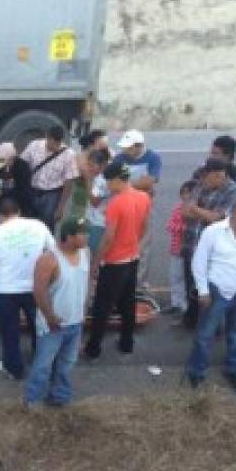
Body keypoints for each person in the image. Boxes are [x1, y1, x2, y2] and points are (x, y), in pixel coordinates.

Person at [185, 195, 236, 395]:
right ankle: (196, 371)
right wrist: (203, 291)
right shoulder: (213, 232)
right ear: (235, 213)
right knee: (206, 334)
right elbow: (199, 262)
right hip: (217, 291)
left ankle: (234, 369)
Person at [0, 197, 55, 379]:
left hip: (6, 290)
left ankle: (14, 368)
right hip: (35, 288)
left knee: (10, 332)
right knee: (39, 328)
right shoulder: (38, 226)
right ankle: (43, 362)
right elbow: (53, 253)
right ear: (19, 211)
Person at [84, 162, 151, 360]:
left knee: (102, 306)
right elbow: (145, 226)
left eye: (108, 182)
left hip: (114, 262)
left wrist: (96, 262)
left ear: (116, 180)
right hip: (132, 258)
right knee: (127, 303)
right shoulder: (143, 196)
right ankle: (126, 342)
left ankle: (93, 348)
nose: (107, 186)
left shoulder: (116, 203)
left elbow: (108, 238)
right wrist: (133, 243)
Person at [25, 217, 91, 408]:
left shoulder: (85, 252)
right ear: (68, 237)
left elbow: (85, 282)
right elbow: (39, 291)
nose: (87, 237)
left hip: (75, 321)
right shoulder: (49, 259)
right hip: (54, 324)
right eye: (82, 233)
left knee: (67, 363)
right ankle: (34, 399)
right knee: (43, 365)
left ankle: (60, 396)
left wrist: (83, 311)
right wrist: (50, 318)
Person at [180, 158, 236, 328]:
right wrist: (203, 212)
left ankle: (214, 325)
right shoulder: (200, 185)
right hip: (192, 244)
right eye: (210, 177)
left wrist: (196, 210)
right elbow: (185, 212)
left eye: (220, 176)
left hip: (214, 251)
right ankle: (191, 319)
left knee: (212, 288)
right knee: (191, 284)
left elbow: (217, 218)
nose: (216, 180)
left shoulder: (233, 191)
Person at [113, 130, 162, 292]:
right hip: (125, 206)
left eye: (129, 147)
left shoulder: (153, 158)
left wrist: (127, 184)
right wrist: (139, 184)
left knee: (143, 245)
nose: (125, 150)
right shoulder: (120, 158)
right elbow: (117, 181)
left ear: (138, 146)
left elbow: (150, 181)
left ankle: (139, 283)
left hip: (144, 207)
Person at [20, 124, 77, 231]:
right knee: (28, 224)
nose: (55, 146)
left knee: (47, 226)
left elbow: (69, 182)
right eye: (52, 142)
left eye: (58, 143)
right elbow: (22, 165)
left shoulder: (68, 154)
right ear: (47, 137)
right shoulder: (34, 146)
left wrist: (61, 208)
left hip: (52, 194)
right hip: (32, 191)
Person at [165, 180, 197, 316]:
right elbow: (169, 225)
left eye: (189, 193)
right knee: (175, 276)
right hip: (175, 248)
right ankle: (176, 303)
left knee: (186, 278)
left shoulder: (197, 210)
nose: (185, 196)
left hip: (188, 250)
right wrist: (182, 228)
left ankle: (185, 306)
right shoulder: (178, 208)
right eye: (183, 193)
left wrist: (180, 228)